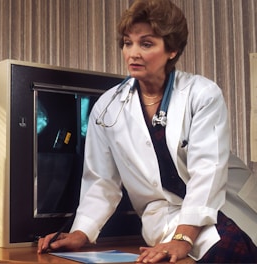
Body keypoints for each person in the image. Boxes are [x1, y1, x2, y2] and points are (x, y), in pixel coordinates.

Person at [38, 0, 257, 262]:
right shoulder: (107, 108)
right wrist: (81, 232)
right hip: (167, 216)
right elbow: (101, 181)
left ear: (172, 49)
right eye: (127, 43)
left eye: (146, 44)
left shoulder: (202, 94)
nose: (133, 53)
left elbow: (208, 172)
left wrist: (182, 238)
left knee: (237, 248)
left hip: (224, 203)